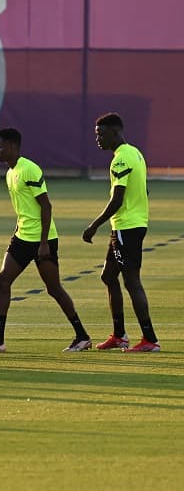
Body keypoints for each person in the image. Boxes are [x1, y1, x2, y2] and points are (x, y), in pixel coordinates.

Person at [0, 127, 91, 353]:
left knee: (54, 288)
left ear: (14, 147)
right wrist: (17, 230)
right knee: (2, 281)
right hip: (22, 237)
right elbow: (24, 209)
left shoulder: (29, 169)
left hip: (41, 240)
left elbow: (46, 206)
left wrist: (44, 243)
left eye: (0, 146)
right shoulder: (10, 173)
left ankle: (82, 336)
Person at [83, 113, 160, 352]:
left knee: (131, 281)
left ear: (116, 132)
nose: (98, 139)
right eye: (96, 134)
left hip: (127, 226)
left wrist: (94, 225)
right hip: (127, 225)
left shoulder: (121, 160)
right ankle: (119, 335)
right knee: (108, 276)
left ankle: (150, 339)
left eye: (101, 134)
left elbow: (117, 200)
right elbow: (144, 191)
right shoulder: (134, 153)